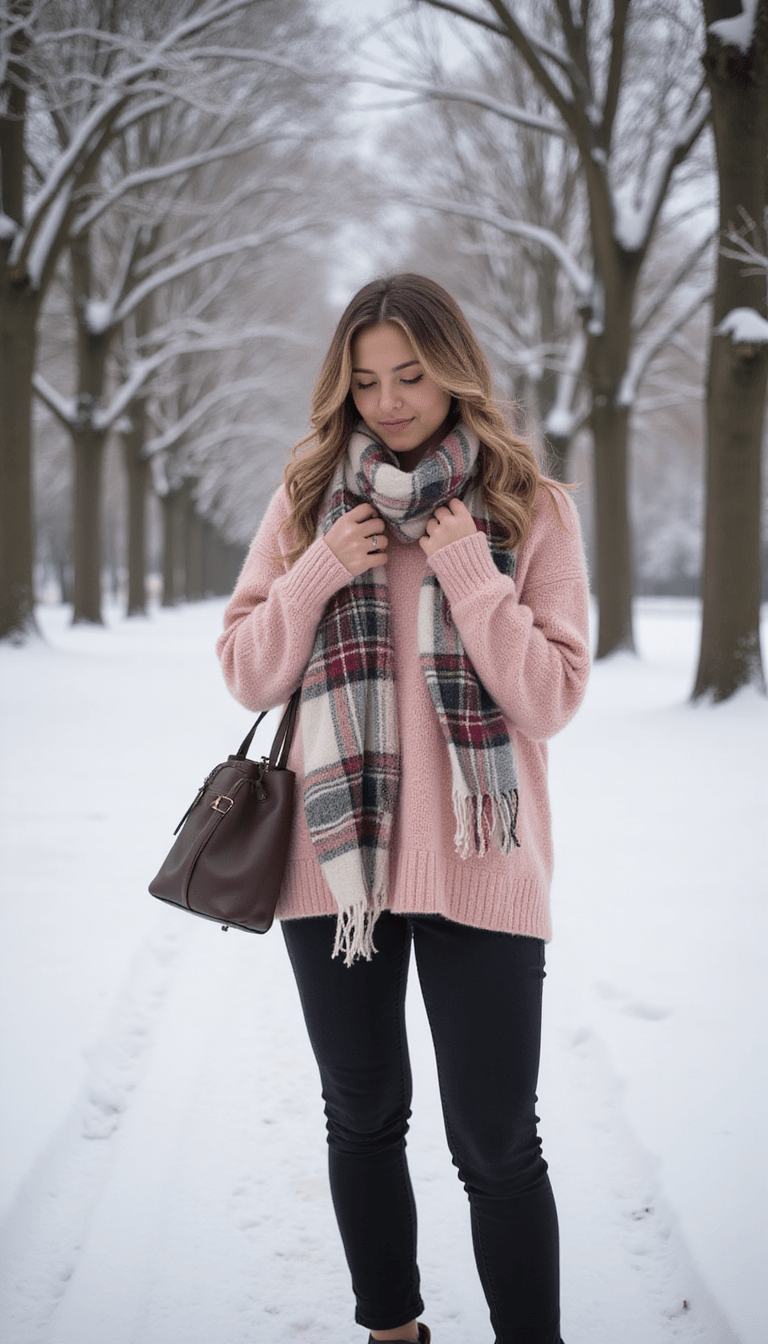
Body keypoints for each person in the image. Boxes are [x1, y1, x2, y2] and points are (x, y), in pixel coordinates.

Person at [216, 273, 590, 1344]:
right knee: (364, 1117)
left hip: (483, 861)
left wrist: (470, 566)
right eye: (367, 380)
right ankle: (393, 1332)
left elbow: (550, 699)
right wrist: (315, 574)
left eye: (411, 376)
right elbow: (247, 671)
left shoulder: (530, 507)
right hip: (335, 871)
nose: (387, 401)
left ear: (455, 371)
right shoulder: (306, 505)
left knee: (497, 1143)